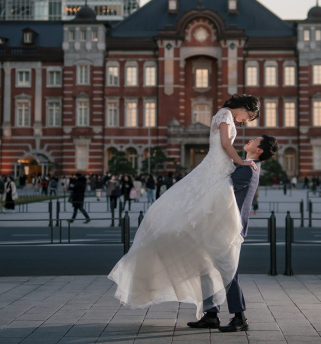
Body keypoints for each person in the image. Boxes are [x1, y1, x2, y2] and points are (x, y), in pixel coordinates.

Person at [108, 94, 262, 326]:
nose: (244, 122)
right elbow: (225, 144)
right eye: (247, 116)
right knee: (209, 260)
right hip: (216, 172)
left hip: (216, 177)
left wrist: (237, 165)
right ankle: (214, 314)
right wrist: (239, 161)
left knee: (214, 261)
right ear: (243, 108)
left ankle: (226, 315)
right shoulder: (225, 115)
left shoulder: (228, 123)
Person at [188, 134, 278, 332]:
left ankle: (240, 317)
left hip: (227, 228)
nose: (250, 139)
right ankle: (211, 314)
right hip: (220, 225)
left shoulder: (247, 168)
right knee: (206, 267)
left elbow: (222, 190)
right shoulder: (247, 165)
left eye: (255, 139)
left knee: (228, 272)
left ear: (259, 150)